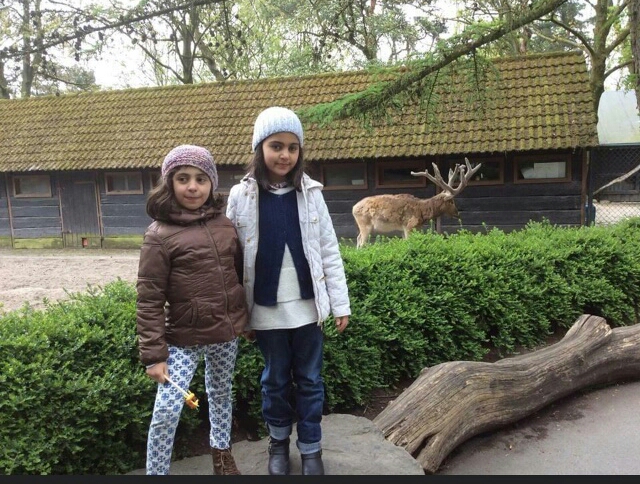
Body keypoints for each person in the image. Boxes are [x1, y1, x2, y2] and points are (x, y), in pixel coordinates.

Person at [226, 106, 351, 475]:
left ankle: (311, 448)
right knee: (275, 380)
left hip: (308, 309)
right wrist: (238, 313)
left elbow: (328, 250)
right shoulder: (241, 195)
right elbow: (231, 258)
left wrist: (340, 304)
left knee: (310, 380)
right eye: (276, 146)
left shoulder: (311, 193)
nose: (284, 155)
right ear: (259, 148)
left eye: (292, 148)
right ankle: (278, 443)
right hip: (265, 312)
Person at [136, 144, 248, 475]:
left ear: (212, 183)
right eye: (183, 178)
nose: (193, 187)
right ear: (169, 183)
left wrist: (246, 321)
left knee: (221, 394)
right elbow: (149, 298)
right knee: (167, 409)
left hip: (225, 333)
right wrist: (154, 356)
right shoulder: (158, 235)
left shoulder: (225, 225)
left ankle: (222, 459)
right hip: (182, 339)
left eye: (201, 178)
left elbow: (238, 277)